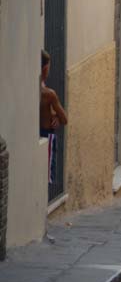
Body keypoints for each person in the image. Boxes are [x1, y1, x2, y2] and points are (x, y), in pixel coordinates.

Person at [40, 50, 68, 185]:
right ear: (45, 68)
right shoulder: (49, 94)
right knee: (46, 180)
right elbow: (64, 119)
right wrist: (56, 115)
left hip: (32, 134)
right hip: (46, 136)